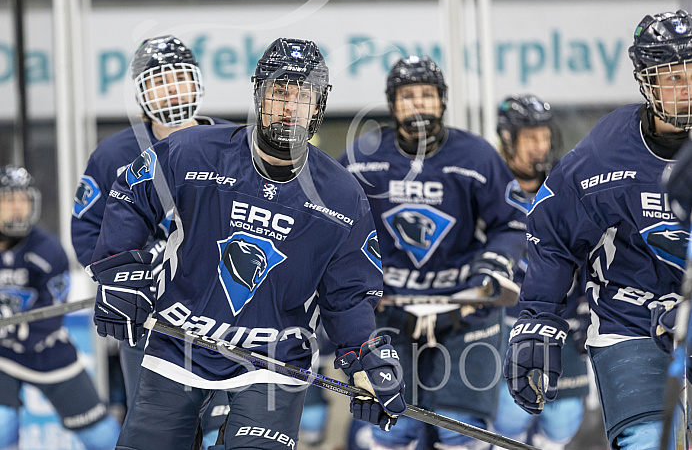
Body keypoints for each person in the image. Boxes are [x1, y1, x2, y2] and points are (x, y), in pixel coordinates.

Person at [87, 37, 406, 450]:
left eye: (302, 96)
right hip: (179, 342)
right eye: (279, 93)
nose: (289, 107)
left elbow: (349, 294)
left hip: (273, 362)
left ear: (318, 106)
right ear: (259, 95)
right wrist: (118, 269)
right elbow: (132, 191)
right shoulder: (194, 152)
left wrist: (363, 355)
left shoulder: (343, 196)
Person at [503, 10, 692, 450]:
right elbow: (553, 234)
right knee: (647, 442)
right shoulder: (606, 154)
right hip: (633, 324)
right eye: (673, 77)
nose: (687, 89)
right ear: (647, 82)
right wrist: (538, 315)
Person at [339, 56, 527, 450]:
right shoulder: (361, 159)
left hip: (464, 311)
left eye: (427, 95)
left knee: (461, 428)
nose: (418, 104)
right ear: (393, 104)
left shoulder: (476, 156)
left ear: (442, 101)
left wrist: (491, 269)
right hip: (387, 310)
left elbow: (511, 223)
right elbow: (333, 226)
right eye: (408, 96)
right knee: (390, 425)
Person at [71, 34, 235, 448]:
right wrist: (131, 273)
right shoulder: (113, 154)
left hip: (226, 313)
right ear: (143, 92)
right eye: (159, 81)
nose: (172, 89)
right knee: (156, 429)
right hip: (150, 319)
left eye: (179, 78)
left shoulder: (235, 143)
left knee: (227, 426)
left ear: (196, 81)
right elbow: (88, 232)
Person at [492, 95, 590, 449]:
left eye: (544, 135)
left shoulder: (568, 184)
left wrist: (585, 306)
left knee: (563, 420)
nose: (540, 146)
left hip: (558, 319)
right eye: (530, 137)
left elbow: (587, 249)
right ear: (507, 138)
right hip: (500, 322)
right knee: (507, 418)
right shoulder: (486, 184)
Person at [0, 165, 120, 450]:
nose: (18, 209)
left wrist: (12, 330)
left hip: (48, 355)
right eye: (8, 200)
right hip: (2, 358)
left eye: (23, 200)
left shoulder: (47, 250)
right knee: (2, 426)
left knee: (101, 436)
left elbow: (49, 319)